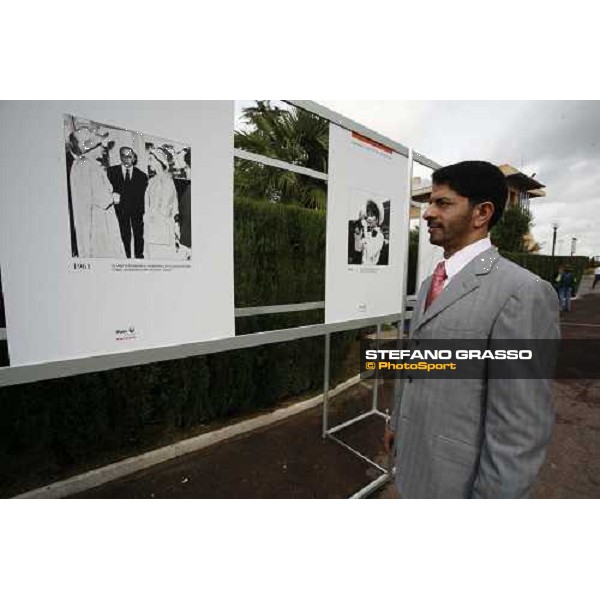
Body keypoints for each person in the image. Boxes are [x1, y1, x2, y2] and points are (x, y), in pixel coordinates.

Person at [383, 161, 560, 498]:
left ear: (482, 213)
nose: (427, 213)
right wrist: (397, 424)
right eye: (430, 202)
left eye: (443, 203)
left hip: (458, 483)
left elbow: (520, 428)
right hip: (413, 463)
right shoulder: (429, 284)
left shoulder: (522, 292)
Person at [69, 126, 125, 259]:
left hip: (89, 226)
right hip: (100, 226)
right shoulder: (90, 166)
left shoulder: (78, 165)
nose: (103, 147)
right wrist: (114, 197)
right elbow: (103, 200)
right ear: (90, 148)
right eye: (99, 144)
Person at [107, 146, 148, 259]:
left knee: (138, 235)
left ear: (134, 158)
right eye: (123, 156)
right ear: (120, 156)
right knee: (124, 235)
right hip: (119, 210)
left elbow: (142, 197)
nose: (126, 159)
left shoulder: (142, 176)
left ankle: (139, 256)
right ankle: (126, 257)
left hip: (136, 211)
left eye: (129, 157)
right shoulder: (111, 172)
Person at [144, 147, 180, 259]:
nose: (148, 163)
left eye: (151, 159)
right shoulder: (151, 181)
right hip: (150, 230)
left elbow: (166, 210)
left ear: (159, 161)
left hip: (162, 232)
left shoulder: (168, 182)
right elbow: (147, 205)